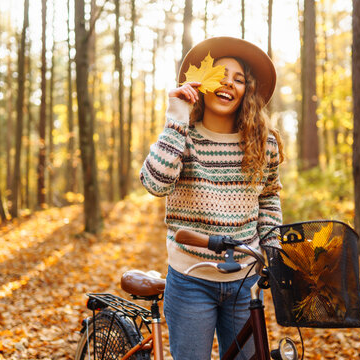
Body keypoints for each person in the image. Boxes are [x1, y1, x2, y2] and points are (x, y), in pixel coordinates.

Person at [140, 36, 284, 359]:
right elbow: (155, 183)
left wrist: (272, 247)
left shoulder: (264, 145)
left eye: (239, 79)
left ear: (247, 91)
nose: (228, 85)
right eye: (220, 76)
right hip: (190, 280)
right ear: (203, 83)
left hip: (243, 282)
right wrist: (176, 116)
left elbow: (270, 196)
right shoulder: (183, 137)